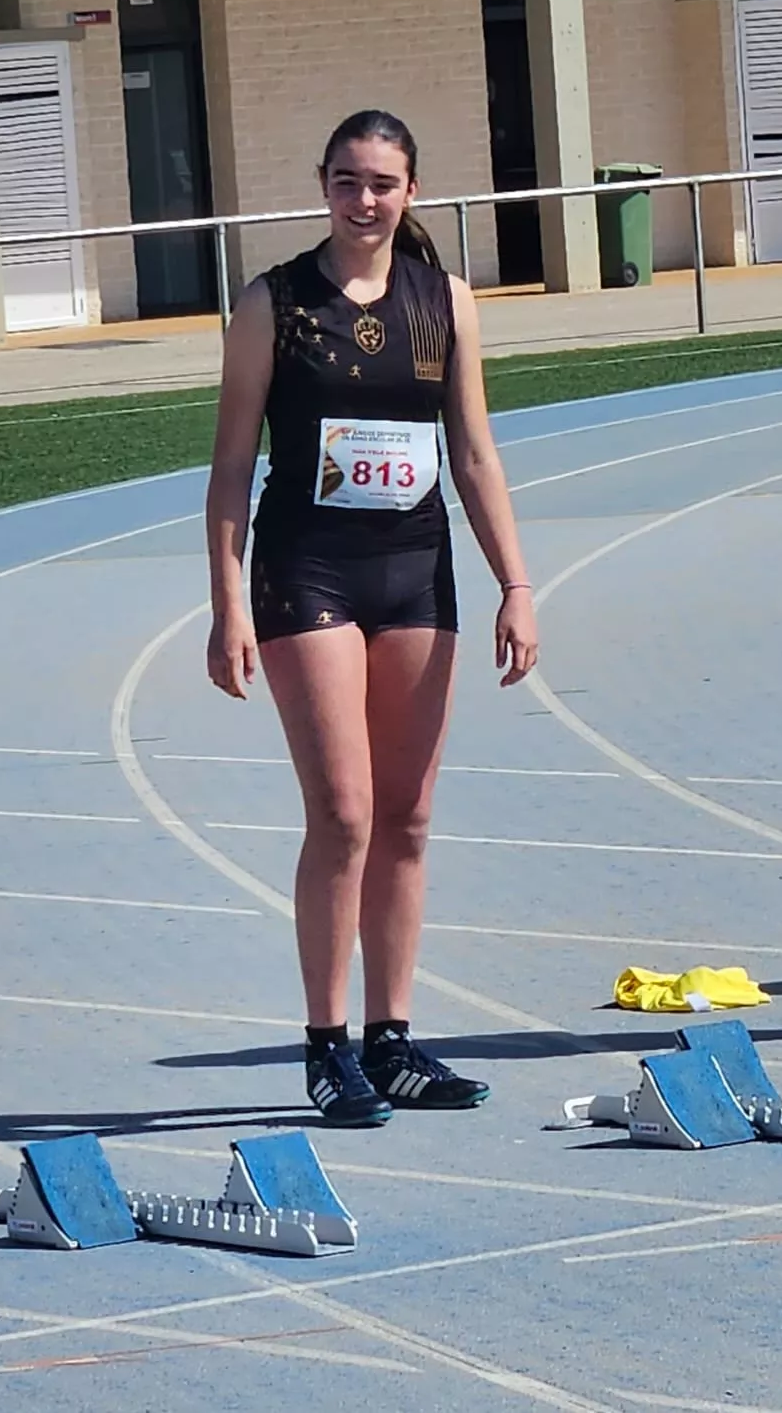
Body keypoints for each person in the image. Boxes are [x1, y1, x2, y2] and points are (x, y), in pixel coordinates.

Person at [204, 110, 540, 1124]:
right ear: (322, 184)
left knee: (407, 814)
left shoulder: (444, 302)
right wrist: (227, 605)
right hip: (307, 572)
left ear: (410, 191)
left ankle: (392, 1042)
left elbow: (475, 453)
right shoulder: (274, 303)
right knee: (343, 812)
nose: (363, 200)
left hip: (416, 573)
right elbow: (229, 468)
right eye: (347, 181)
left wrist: (516, 583)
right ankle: (326, 1044)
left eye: (382, 183)